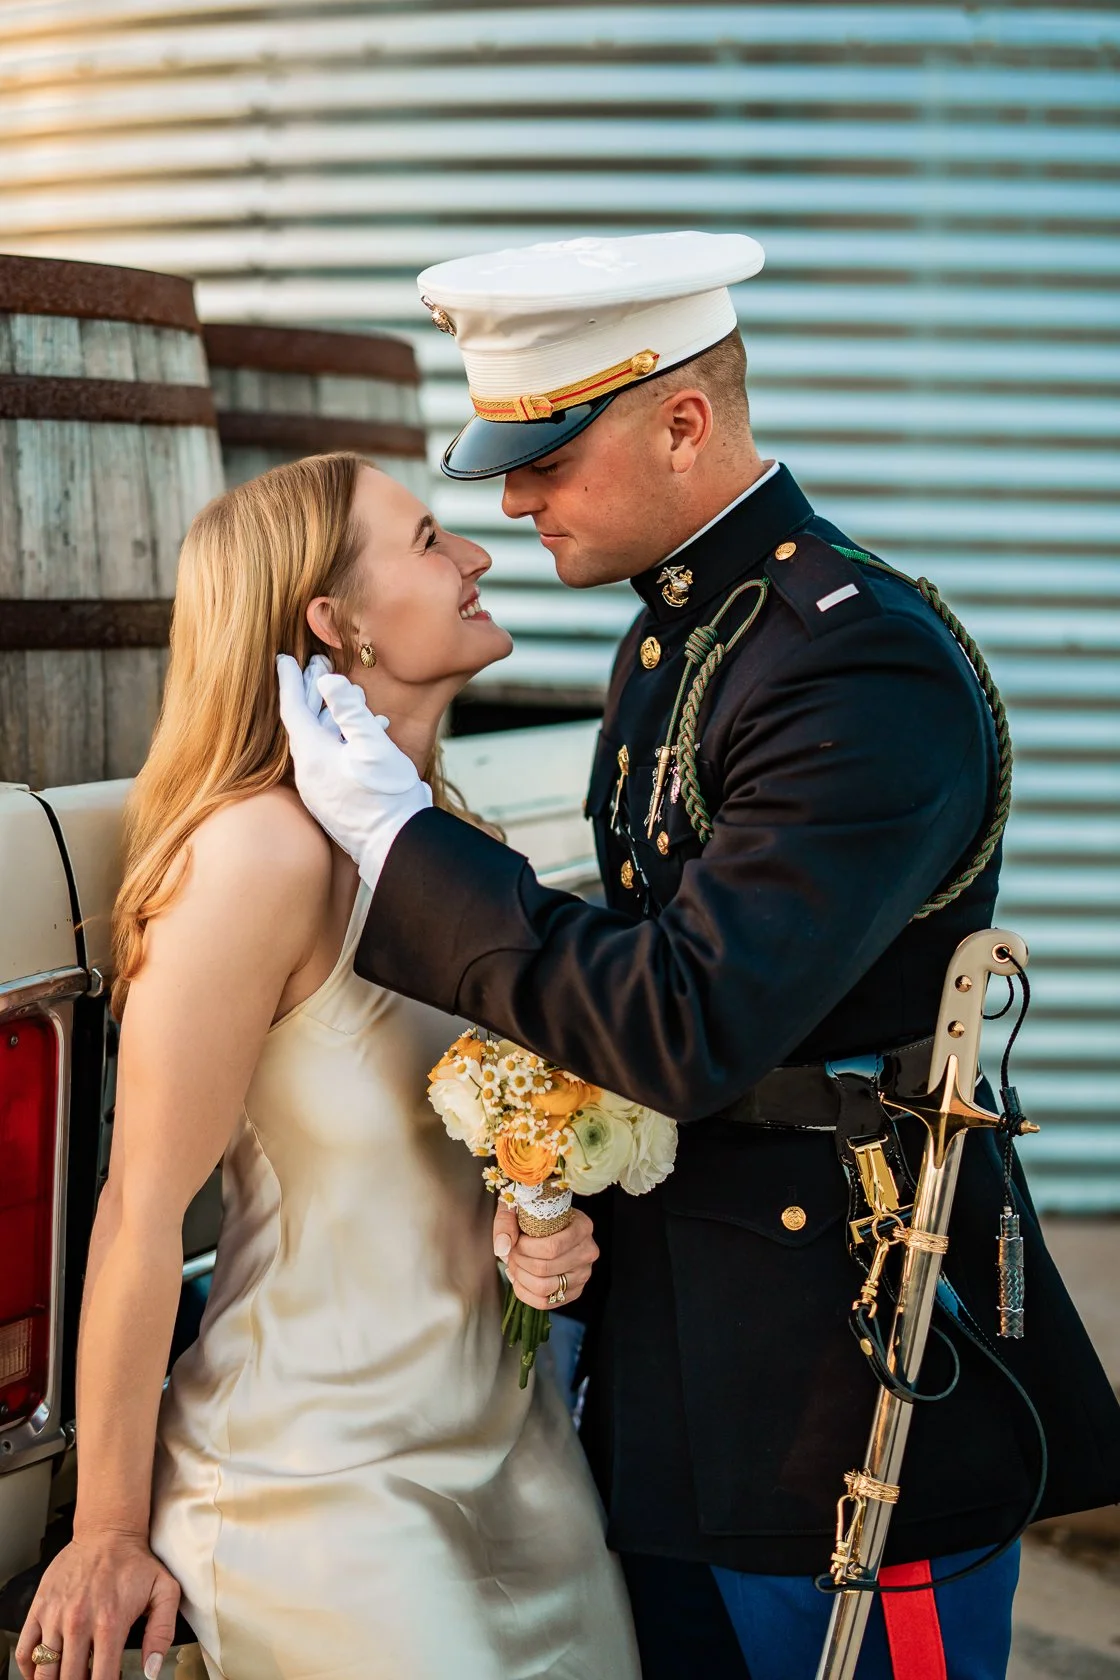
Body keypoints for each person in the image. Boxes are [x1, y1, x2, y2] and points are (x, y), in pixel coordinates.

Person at [279, 233, 1120, 1680]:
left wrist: (408, 841)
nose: (514, 496)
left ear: (685, 421)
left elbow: (683, 1020)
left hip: (844, 1388)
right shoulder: (691, 633)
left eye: (549, 454)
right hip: (687, 1362)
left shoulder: (853, 665)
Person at [16, 454, 640, 1680]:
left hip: (521, 1475)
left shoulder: (463, 852)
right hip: (319, 1493)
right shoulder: (258, 859)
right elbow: (140, 1211)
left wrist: (537, 1227)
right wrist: (104, 1530)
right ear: (334, 622)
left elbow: (471, 1154)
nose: (476, 557)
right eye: (427, 541)